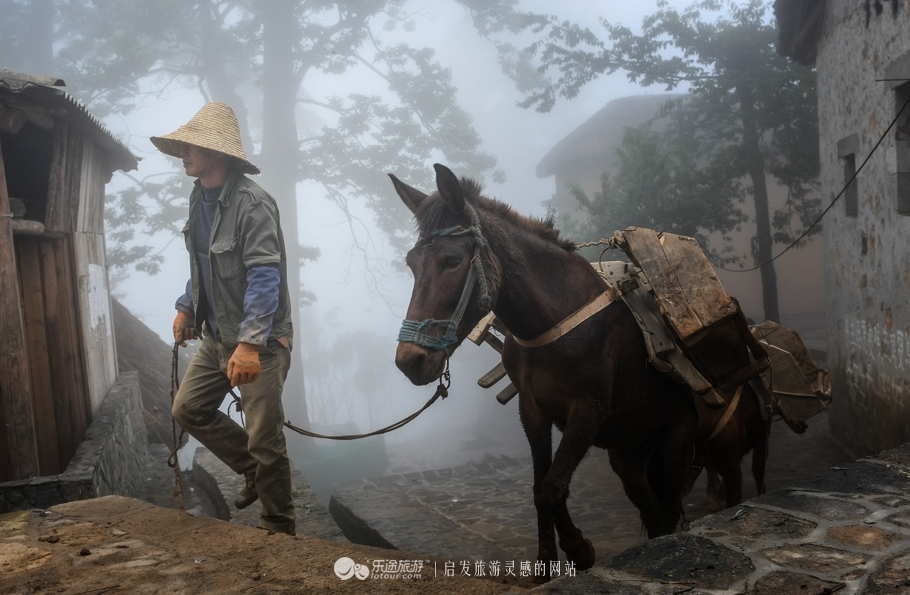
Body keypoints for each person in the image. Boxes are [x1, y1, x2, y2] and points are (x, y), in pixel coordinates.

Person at [151, 102, 296, 535]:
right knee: (188, 409)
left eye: (190, 146)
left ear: (216, 153)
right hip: (216, 338)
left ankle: (279, 528)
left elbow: (265, 277)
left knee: (265, 441)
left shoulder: (253, 204)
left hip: (260, 345)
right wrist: (186, 305)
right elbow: (204, 264)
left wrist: (251, 344)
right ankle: (251, 469)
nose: (182, 153)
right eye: (181, 146)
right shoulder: (200, 197)